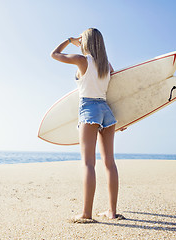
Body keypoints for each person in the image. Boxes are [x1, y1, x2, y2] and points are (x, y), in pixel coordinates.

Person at [51, 28, 122, 222]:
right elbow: (117, 91)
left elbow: (54, 54)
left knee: (88, 163)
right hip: (106, 110)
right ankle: (112, 212)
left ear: (86, 41)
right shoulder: (106, 65)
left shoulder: (83, 61)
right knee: (109, 162)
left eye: (82, 39)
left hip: (89, 108)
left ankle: (86, 214)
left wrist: (69, 40)